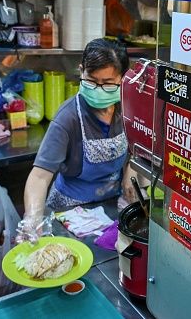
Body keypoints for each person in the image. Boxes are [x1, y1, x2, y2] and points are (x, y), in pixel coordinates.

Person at [19, 38, 134, 242]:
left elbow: (136, 147)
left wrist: (129, 171)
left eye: (108, 84)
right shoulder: (68, 117)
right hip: (69, 209)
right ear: (81, 71)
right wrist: (32, 219)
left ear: (122, 80)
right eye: (91, 81)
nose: (98, 89)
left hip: (110, 205)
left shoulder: (127, 109)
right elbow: (39, 176)